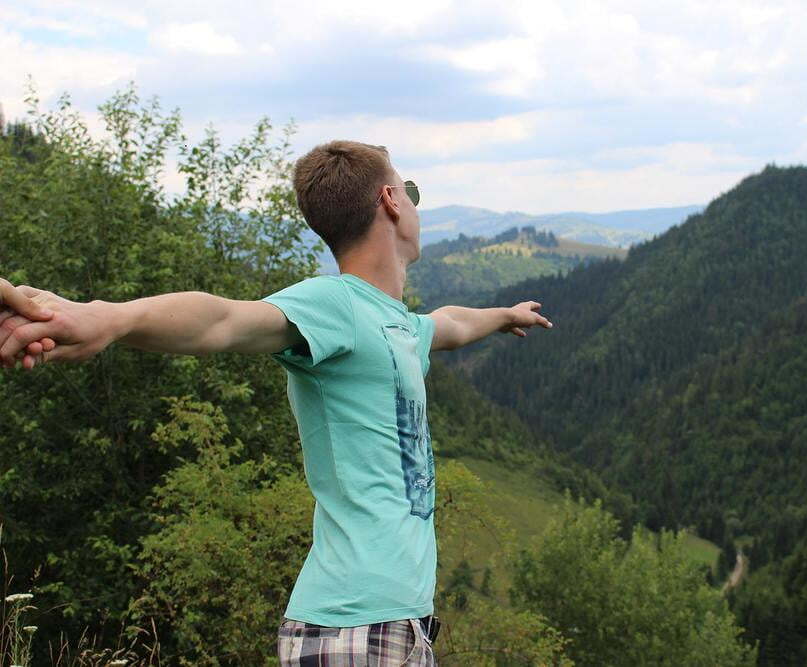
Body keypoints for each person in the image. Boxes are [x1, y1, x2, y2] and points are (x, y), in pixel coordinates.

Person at [0, 140, 553, 665]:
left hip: (386, 624)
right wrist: (107, 317)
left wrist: (506, 315)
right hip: (357, 628)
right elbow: (221, 320)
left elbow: (449, 324)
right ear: (390, 201)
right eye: (410, 190)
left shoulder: (394, 323)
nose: (414, 203)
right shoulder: (334, 303)